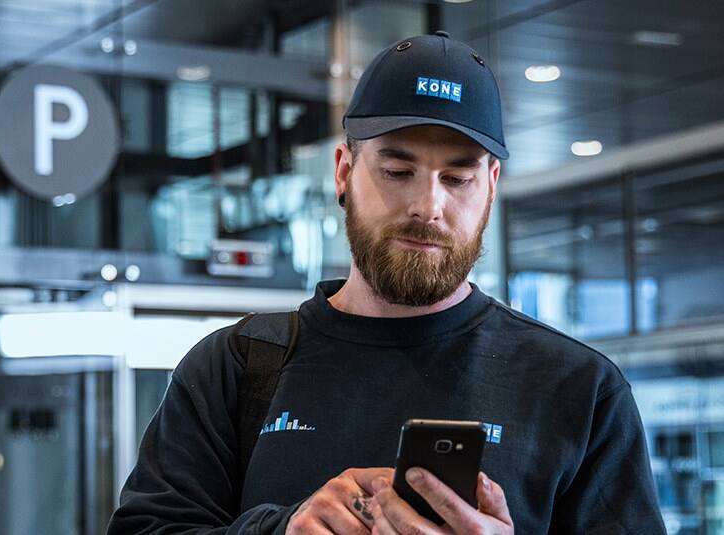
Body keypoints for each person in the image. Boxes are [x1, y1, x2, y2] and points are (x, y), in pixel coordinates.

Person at [108, 32, 665, 534]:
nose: (429, 206)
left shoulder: (578, 390)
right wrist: (281, 531)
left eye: (458, 178)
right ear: (344, 172)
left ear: (491, 186)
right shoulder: (233, 370)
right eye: (398, 172)